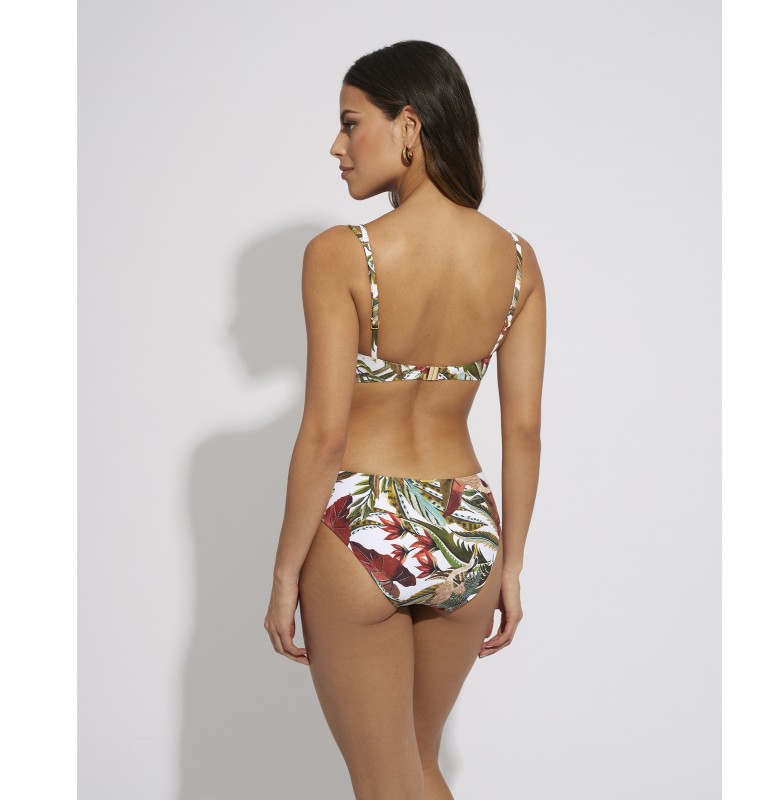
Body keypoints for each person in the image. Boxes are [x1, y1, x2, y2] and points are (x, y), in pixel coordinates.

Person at [264, 40, 546, 800]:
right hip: (467, 527)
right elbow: (522, 430)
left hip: (364, 526)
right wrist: (510, 567)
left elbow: (324, 433)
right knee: (417, 768)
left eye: (351, 123)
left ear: (410, 126)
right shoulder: (518, 261)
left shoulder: (341, 254)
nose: (337, 146)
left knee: (382, 783)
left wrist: (285, 574)